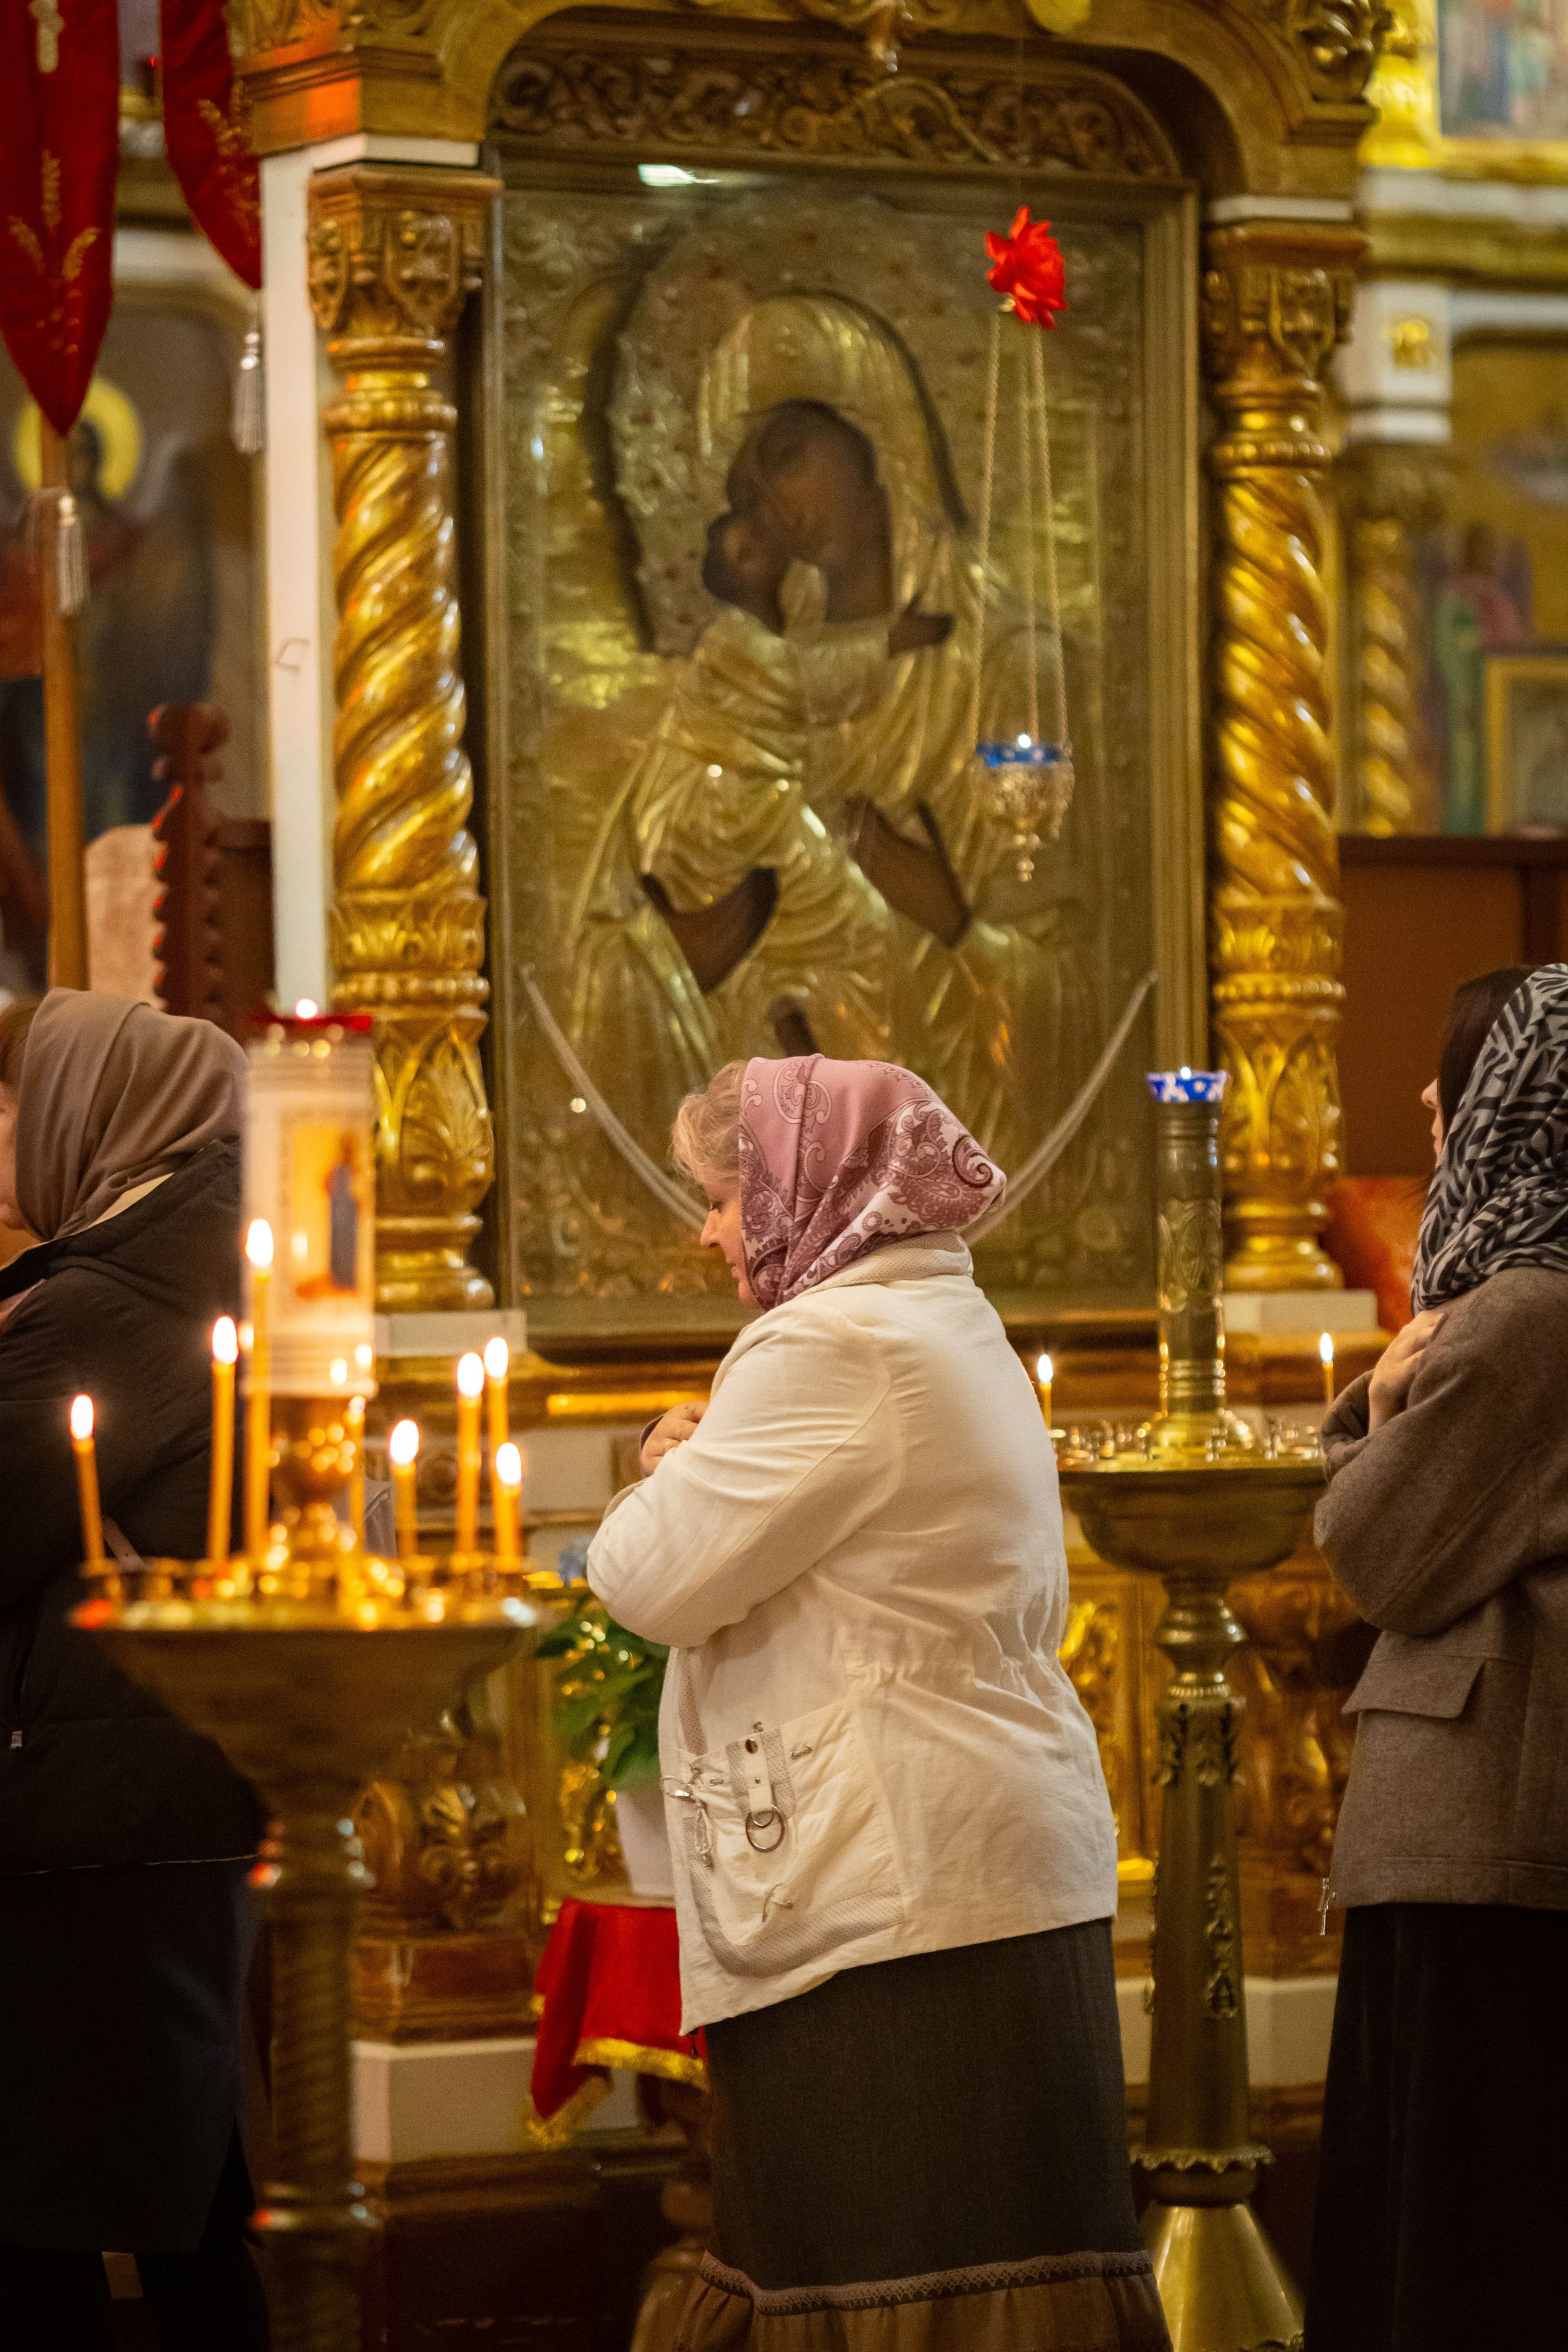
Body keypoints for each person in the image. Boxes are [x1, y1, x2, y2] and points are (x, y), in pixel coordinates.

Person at [588, 1055, 1169, 2352]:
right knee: (992, 2265)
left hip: (896, 1888)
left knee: (886, 2277)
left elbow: (642, 1578)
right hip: (958, 1859)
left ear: (807, 1191)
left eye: (729, 1199)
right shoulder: (937, 1318)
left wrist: (659, 1461)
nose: (709, 1230)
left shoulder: (830, 1345)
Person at [0, 990, 270, 2351]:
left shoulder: (104, 1305)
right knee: (187, 2207)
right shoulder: (201, 1263)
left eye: (16, 1100)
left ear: (84, 1114)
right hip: (165, 1804)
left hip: (90, 1825)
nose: (3, 1132)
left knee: (45, 2216)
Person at [1305, 962, 1568, 2352]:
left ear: (1510, 1104)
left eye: (1450, 1077)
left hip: (1487, 1825)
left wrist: (1374, 1402)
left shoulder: (1525, 1313)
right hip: (1491, 1822)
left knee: (1462, 2233)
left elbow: (1379, 1552)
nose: (1422, 1102)